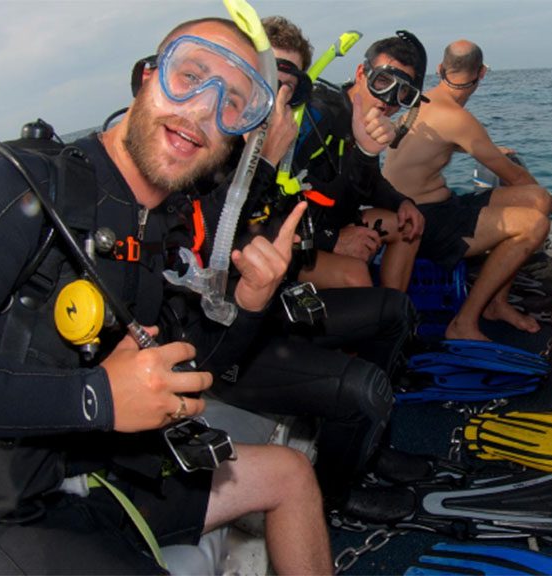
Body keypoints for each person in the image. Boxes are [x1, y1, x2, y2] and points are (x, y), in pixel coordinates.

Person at [0, 17, 332, 574]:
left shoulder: (166, 224)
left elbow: (198, 369)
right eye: (190, 74)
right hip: (27, 508)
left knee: (291, 474)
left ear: (237, 136)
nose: (201, 108)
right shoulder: (22, 188)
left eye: (232, 104)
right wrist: (97, 396)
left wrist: (249, 302)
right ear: (147, 78)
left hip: (120, 468)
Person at [200, 15, 415, 507]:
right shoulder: (209, 150)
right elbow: (230, 235)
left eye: (288, 86)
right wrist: (270, 160)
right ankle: (334, 498)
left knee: (394, 314)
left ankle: (369, 447)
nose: (274, 100)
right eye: (264, 80)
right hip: (228, 342)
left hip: (274, 307)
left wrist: (362, 152)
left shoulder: (289, 140)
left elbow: (304, 214)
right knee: (360, 388)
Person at [383, 40, 552, 341]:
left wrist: (490, 151)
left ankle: (497, 304)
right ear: (482, 73)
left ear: (440, 70)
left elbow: (432, 145)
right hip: (424, 222)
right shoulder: (458, 118)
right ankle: (464, 322)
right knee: (537, 223)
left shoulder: (423, 100)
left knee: (537, 198)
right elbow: (514, 175)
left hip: (418, 206)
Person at [289, 33, 426, 291]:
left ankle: (393, 307)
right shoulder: (319, 115)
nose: (387, 100)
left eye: (402, 93)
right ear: (361, 72)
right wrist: (332, 241)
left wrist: (402, 202)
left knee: (408, 227)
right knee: (356, 274)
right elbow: (270, 203)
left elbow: (369, 180)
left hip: (335, 221)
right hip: (295, 237)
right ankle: (371, 317)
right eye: (382, 81)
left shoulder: (365, 122)